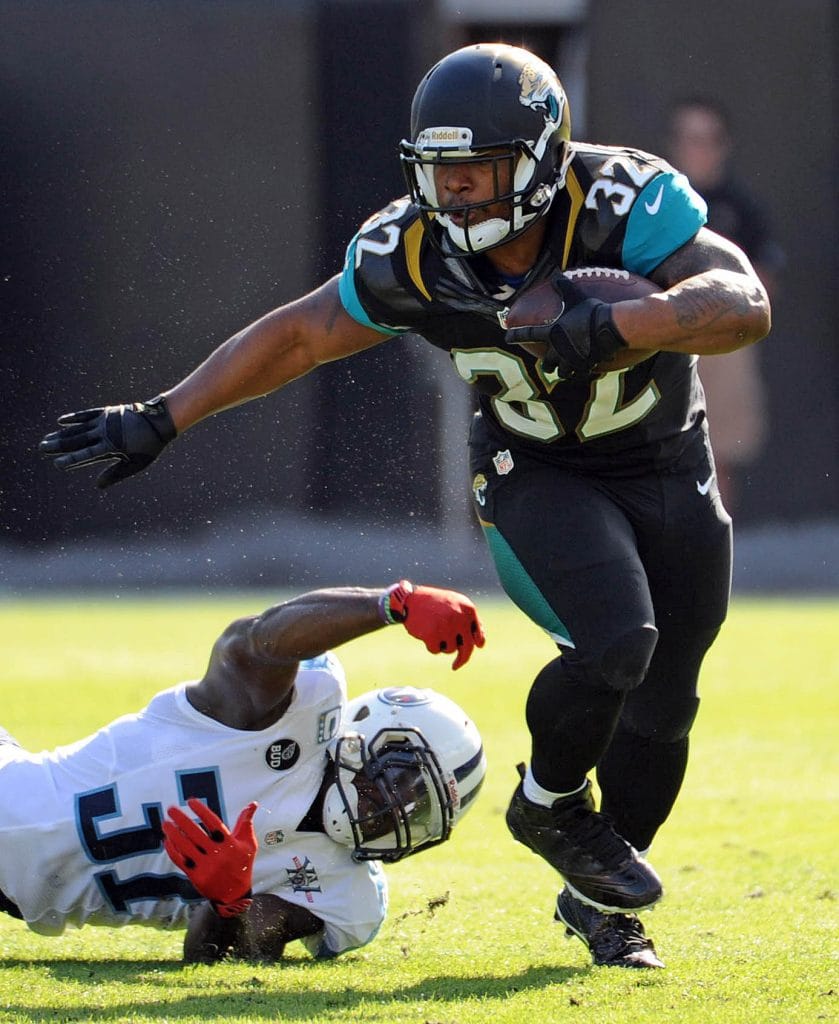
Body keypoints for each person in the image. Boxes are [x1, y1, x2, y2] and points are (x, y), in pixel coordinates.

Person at [39, 43, 771, 969]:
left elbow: (742, 301)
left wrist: (625, 324)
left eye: (476, 174)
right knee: (619, 642)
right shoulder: (412, 252)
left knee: (666, 707)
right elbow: (304, 334)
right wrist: (163, 416)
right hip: (532, 465)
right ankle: (546, 803)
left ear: (542, 158)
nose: (456, 195)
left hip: (665, 462)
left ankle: (599, 905)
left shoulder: (622, 201)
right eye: (440, 174)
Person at [0, 580, 487, 962]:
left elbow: (227, 953)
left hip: (20, 895)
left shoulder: (352, 896)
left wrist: (228, 902)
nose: (399, 810)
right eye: (405, 782)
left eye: (422, 808)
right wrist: (392, 603)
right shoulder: (296, 710)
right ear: (370, 734)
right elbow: (254, 642)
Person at [665, 97, 784, 511]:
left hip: (725, 344)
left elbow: (765, 282)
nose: (698, 149)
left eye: (707, 139)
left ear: (723, 145)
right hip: (664, 339)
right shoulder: (658, 202)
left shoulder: (741, 207)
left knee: (718, 454)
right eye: (689, 138)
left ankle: (715, 549)